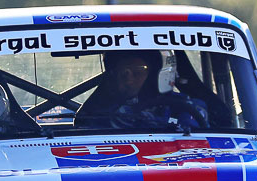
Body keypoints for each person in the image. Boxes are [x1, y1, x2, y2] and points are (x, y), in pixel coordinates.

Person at [76, 50, 208, 131]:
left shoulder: (187, 107)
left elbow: (194, 142)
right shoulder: (99, 112)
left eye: (138, 71)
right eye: (123, 73)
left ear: (156, 74)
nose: (129, 80)